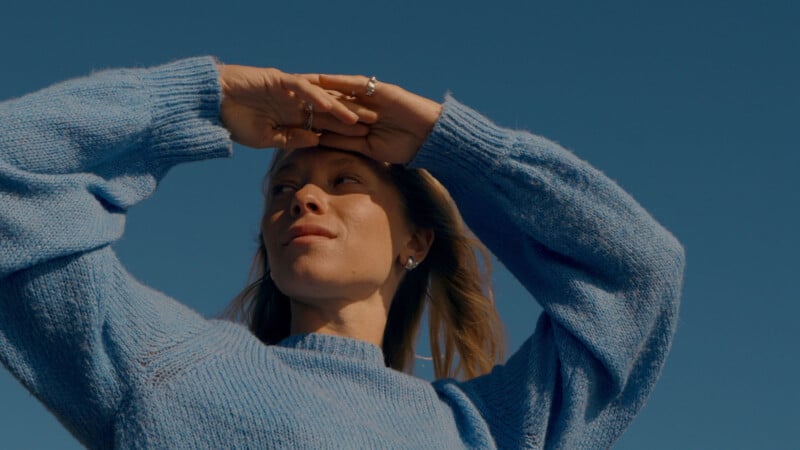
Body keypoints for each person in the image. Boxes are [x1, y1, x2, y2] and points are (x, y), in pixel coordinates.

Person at [0, 56, 685, 449]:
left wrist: (455, 147)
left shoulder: (486, 429)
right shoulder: (165, 365)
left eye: (344, 182)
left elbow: (639, 275)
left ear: (414, 242)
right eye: (283, 190)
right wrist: (206, 99)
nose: (302, 200)